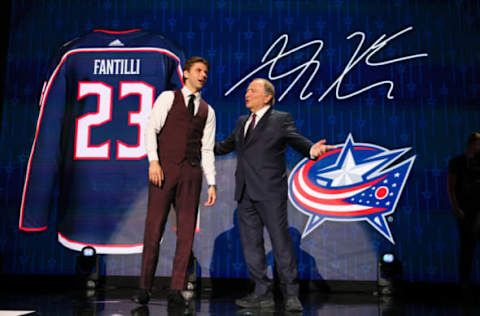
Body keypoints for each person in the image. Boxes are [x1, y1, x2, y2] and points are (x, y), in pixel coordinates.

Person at [214, 78, 334, 312]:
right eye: (247, 89)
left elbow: (296, 139)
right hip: (245, 192)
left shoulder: (280, 119)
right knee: (251, 245)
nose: (247, 93)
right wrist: (201, 144)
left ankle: (290, 294)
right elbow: (225, 146)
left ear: (267, 96)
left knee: (280, 243)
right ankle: (261, 292)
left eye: (253, 90)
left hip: (270, 192)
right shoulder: (242, 122)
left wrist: (311, 149)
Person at [132, 57, 217, 307]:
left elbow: (207, 148)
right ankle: (144, 287)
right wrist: (153, 161)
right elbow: (151, 130)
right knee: (154, 228)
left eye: (206, 72)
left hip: (191, 174)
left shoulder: (207, 111)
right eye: (199, 71)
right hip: (165, 170)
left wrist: (211, 182)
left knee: (186, 232)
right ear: (186, 74)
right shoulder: (168, 98)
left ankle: (176, 288)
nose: (203, 75)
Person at [447, 132, 480, 291]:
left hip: (478, 208)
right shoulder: (457, 162)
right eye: (477, 143)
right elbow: (451, 187)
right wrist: (456, 207)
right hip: (465, 210)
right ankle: (464, 284)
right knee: (467, 246)